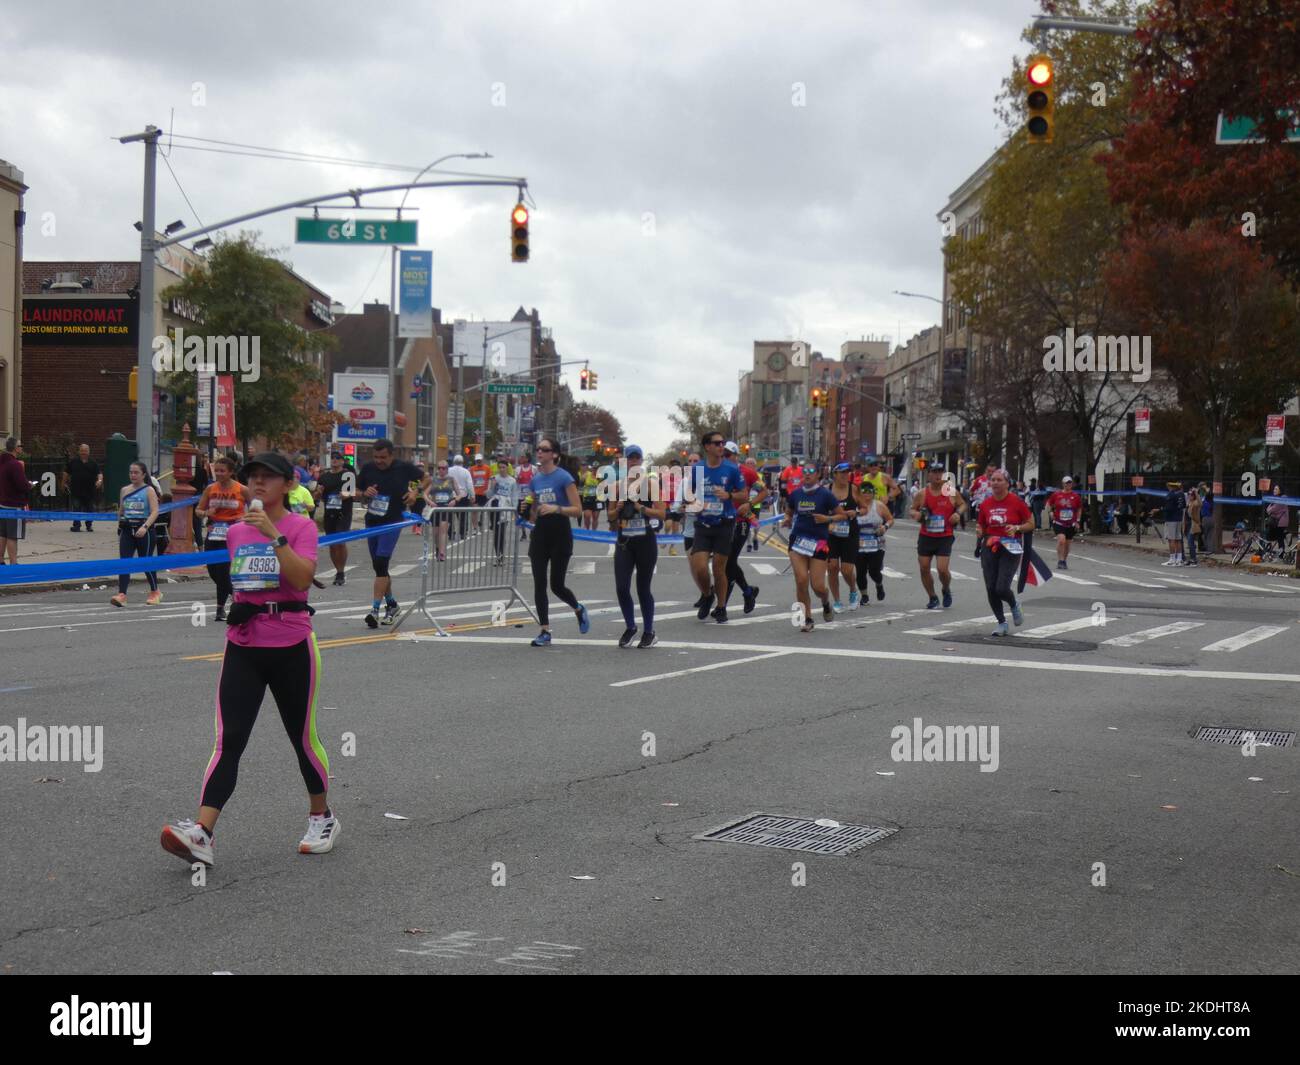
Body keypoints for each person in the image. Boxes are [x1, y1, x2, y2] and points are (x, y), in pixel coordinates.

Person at [160, 451, 336, 868]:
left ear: (288, 485)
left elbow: (299, 579)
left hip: (292, 646)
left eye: (268, 477)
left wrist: (275, 537)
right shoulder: (237, 532)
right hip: (243, 645)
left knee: (302, 738)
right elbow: (243, 581)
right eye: (252, 477)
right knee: (229, 739)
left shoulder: (301, 526)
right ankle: (202, 832)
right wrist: (242, 605)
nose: (257, 484)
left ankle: (321, 817)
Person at [524, 437, 590, 646]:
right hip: (540, 534)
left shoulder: (564, 478)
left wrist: (557, 508)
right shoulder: (535, 480)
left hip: (560, 534)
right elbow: (534, 512)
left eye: (544, 449)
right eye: (538, 449)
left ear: (554, 454)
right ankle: (544, 630)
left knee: (556, 585)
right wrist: (527, 512)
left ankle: (578, 608)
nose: (539, 452)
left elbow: (577, 509)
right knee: (539, 584)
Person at [357, 438, 427, 627]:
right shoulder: (368, 469)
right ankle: (392, 605)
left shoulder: (403, 468)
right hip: (372, 521)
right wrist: (365, 493)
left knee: (381, 562)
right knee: (379, 567)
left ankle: (374, 610)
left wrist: (415, 493)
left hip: (392, 522)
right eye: (376, 457)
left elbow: (426, 478)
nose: (379, 461)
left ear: (391, 455)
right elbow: (356, 491)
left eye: (383, 457)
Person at [609, 444, 665, 648]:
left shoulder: (651, 484)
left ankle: (649, 631)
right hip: (625, 541)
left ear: (641, 461)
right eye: (629, 458)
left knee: (643, 588)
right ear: (624, 461)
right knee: (622, 587)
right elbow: (610, 516)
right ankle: (631, 626)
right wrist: (618, 509)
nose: (633, 461)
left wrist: (642, 507)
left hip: (645, 540)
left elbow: (662, 513)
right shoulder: (617, 486)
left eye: (636, 458)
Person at [689, 431, 747, 623]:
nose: (721, 446)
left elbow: (744, 494)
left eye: (722, 443)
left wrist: (729, 496)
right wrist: (696, 504)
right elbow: (690, 496)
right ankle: (707, 595)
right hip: (703, 524)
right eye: (717, 443)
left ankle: (721, 607)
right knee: (699, 568)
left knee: (719, 568)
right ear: (707, 447)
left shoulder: (731, 469)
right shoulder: (697, 469)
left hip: (725, 523)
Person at [783, 464, 843, 632]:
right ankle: (807, 618)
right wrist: (787, 519)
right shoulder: (796, 494)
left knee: (818, 586)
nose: (807, 474)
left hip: (819, 543)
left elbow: (841, 515)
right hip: (798, 542)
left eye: (811, 472)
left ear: (818, 475)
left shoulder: (825, 495)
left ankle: (825, 602)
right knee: (801, 580)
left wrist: (827, 519)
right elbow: (789, 511)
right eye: (805, 472)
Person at [977, 468, 1034, 637]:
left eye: (999, 480)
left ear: (1007, 483)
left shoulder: (1016, 502)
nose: (995, 483)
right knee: (990, 587)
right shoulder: (986, 504)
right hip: (989, 547)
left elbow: (1031, 523)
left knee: (1001, 588)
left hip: (1010, 547)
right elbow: (981, 524)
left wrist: (1017, 527)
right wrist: (979, 530)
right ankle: (1001, 622)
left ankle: (1014, 603)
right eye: (993, 480)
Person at [197, 454, 253, 619]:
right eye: (217, 470)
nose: (219, 474)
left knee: (223, 571)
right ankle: (236, 595)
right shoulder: (210, 489)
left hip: (233, 533)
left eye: (222, 471)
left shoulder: (241, 489)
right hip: (214, 532)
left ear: (230, 472)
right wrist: (207, 512)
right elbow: (198, 511)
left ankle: (220, 608)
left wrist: (245, 518)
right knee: (213, 570)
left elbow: (256, 507)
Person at [910, 462, 966, 609]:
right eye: (934, 472)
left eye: (940, 472)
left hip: (945, 535)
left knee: (942, 569)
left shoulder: (950, 491)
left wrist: (957, 513)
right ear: (929, 474)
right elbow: (912, 509)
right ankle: (932, 597)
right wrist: (916, 514)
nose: (937, 475)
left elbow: (962, 504)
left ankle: (946, 589)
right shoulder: (922, 493)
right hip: (926, 535)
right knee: (924, 567)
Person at [110, 461, 163, 607]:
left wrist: (145, 526)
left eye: (136, 473)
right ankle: (122, 594)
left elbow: (155, 511)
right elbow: (121, 510)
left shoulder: (149, 490)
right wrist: (119, 523)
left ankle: (155, 591)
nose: (133, 475)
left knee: (145, 561)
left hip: (144, 531)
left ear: (143, 474)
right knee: (124, 562)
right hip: (127, 529)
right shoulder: (124, 490)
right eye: (131, 472)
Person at [721, 442, 764, 613]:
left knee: (729, 561)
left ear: (735, 455)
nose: (724, 457)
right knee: (724, 563)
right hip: (722, 522)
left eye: (727, 454)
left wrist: (749, 504)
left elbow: (764, 492)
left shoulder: (748, 472)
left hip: (741, 521)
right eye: (722, 454)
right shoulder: (717, 471)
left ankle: (722, 605)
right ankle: (747, 591)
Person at [313, 452, 357, 585]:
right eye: (333, 458)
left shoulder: (348, 475)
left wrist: (346, 494)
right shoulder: (324, 476)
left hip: (344, 512)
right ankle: (338, 571)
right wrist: (318, 493)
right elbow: (316, 496)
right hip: (329, 512)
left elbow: (353, 493)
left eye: (338, 458)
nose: (335, 460)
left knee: (340, 542)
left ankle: (341, 572)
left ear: (343, 461)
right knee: (332, 544)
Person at [825, 462, 860, 611]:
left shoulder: (853, 489)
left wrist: (856, 512)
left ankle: (853, 590)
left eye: (848, 473)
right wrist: (828, 520)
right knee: (832, 567)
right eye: (842, 473)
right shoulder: (826, 491)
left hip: (850, 533)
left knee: (846, 570)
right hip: (831, 533)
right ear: (835, 475)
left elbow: (865, 507)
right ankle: (837, 600)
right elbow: (819, 509)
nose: (846, 475)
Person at [854, 481, 893, 602]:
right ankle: (864, 595)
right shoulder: (854, 506)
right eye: (863, 491)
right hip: (859, 543)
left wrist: (884, 527)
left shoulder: (879, 506)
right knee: (860, 571)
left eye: (869, 492)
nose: (866, 494)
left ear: (873, 493)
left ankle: (879, 584)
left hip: (877, 543)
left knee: (873, 571)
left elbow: (890, 519)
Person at [0, 437, 34, 565]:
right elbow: (21, 485)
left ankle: (1, 560)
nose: (21, 447)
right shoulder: (15, 465)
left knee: (2, 534)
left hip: (2, 504)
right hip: (15, 506)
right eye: (21, 445)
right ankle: (14, 563)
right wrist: (29, 485)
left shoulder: (2, 462)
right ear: (15, 448)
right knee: (12, 536)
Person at [422, 457, 463, 561]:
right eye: (439, 468)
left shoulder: (451, 479)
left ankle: (442, 553)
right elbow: (425, 494)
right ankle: (437, 548)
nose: (441, 470)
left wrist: (455, 500)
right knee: (435, 533)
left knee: (443, 530)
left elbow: (460, 494)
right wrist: (430, 501)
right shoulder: (433, 480)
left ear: (447, 469)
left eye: (443, 468)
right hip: (435, 508)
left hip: (446, 508)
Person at [1045, 475, 1083, 570]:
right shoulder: (1057, 495)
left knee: (1067, 543)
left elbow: (1079, 509)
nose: (1068, 484)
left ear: (1072, 484)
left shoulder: (1076, 496)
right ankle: (1060, 560)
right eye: (1066, 483)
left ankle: (1064, 560)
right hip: (1059, 522)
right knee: (1061, 540)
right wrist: (1050, 512)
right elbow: (1048, 504)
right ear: (1063, 484)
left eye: (1070, 482)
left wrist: (1078, 521)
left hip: (1071, 523)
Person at [63, 443, 103, 532]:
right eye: (82, 451)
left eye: (85, 451)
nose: (83, 452)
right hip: (76, 490)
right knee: (76, 508)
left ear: (89, 452)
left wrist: (99, 481)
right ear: (79, 452)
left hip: (89, 490)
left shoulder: (93, 463)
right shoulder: (73, 462)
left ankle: (89, 525)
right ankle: (76, 526)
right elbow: (66, 472)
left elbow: (99, 474)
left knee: (90, 508)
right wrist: (64, 483)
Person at [487, 461, 518, 565]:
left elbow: (514, 496)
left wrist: (515, 510)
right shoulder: (494, 478)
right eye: (500, 467)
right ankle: (498, 555)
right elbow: (488, 495)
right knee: (496, 532)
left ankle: (502, 553)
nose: (501, 469)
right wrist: (492, 486)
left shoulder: (512, 481)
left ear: (507, 468)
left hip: (506, 507)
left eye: (503, 467)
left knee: (502, 532)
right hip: (495, 505)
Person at [447, 455, 474, 540]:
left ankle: (451, 533)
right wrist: (472, 495)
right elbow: (469, 485)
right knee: (463, 516)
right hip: (462, 496)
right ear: (462, 462)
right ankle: (463, 533)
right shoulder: (466, 471)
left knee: (450, 516)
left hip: (451, 495)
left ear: (453, 462)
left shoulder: (448, 470)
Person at [1161, 480, 1187, 566]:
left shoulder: (1170, 495)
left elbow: (1168, 508)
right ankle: (1179, 559)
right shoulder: (1181, 494)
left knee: (1171, 539)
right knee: (1178, 539)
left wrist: (1161, 510)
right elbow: (1183, 506)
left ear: (1171, 486)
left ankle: (1172, 559)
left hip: (1171, 519)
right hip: (1179, 518)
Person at [663, 458, 684, 554]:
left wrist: (683, 504)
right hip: (668, 505)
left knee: (675, 528)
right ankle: (666, 536)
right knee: (668, 524)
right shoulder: (665, 479)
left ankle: (672, 548)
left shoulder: (682, 480)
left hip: (678, 506)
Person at [469, 453, 492, 529]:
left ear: (482, 460)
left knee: (483, 510)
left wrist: (488, 489)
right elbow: (469, 481)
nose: (478, 462)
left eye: (480, 460)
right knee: (474, 510)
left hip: (484, 493)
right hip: (475, 493)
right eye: (477, 460)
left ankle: (481, 523)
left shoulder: (487, 468)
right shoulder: (472, 469)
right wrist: (470, 492)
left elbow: (490, 479)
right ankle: (475, 527)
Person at [515, 453, 535, 541]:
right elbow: (516, 482)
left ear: (527, 459)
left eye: (523, 457)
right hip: (521, 496)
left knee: (531, 514)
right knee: (521, 515)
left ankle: (531, 532)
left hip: (530, 496)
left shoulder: (534, 469)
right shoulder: (518, 469)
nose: (521, 458)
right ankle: (523, 533)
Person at [1266, 484, 1289, 553]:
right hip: (1277, 521)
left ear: (1280, 490)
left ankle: (1281, 553)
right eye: (1274, 489)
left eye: (1276, 489)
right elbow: (1268, 508)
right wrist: (1270, 510)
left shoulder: (1282, 498)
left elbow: (1273, 509)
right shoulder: (1275, 498)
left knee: (1279, 538)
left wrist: (1270, 510)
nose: (1274, 490)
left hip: (1281, 521)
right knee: (1279, 537)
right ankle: (1286, 535)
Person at [579, 464, 601, 530]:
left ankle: (594, 532)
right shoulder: (586, 475)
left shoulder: (601, 477)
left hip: (597, 499)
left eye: (597, 469)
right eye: (594, 468)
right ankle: (587, 530)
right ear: (592, 469)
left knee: (595, 517)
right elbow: (580, 485)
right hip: (587, 498)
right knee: (587, 516)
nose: (595, 470)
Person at [1185, 484, 1202, 566]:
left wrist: (1196, 493)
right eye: (1189, 494)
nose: (1189, 496)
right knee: (1189, 543)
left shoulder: (1195, 503)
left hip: (1193, 524)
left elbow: (1200, 503)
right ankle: (1191, 558)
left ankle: (1194, 559)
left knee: (1190, 542)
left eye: (1191, 495)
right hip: (1187, 524)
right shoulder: (1189, 502)